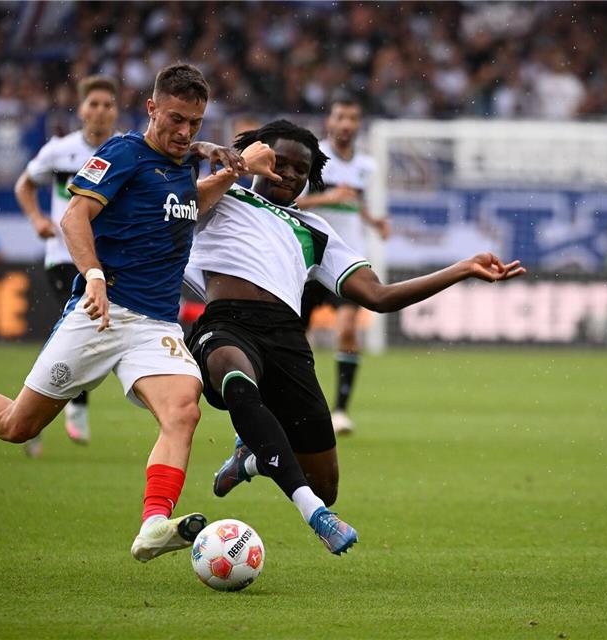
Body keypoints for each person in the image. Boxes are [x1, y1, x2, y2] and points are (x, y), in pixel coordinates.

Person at [0, 63, 252, 563]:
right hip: (99, 312)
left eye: (195, 123)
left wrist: (225, 173)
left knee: (183, 411)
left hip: (154, 325)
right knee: (19, 425)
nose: (184, 131)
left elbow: (188, 201)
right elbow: (74, 216)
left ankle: (153, 524)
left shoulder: (182, 163)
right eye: (175, 119)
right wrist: (95, 276)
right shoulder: (123, 152)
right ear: (151, 108)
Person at [185, 120, 526, 555]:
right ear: (257, 157)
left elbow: (378, 296)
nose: (289, 174)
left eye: (301, 169)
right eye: (279, 161)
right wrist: (231, 166)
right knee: (231, 370)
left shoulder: (316, 231)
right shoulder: (223, 195)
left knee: (325, 484)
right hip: (226, 320)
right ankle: (314, 514)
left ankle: (253, 458)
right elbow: (171, 206)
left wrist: (460, 269)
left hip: (286, 337)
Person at [14, 74, 121, 458]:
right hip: (65, 256)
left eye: (108, 104)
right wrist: (37, 220)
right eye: (93, 103)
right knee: (83, 327)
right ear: (81, 109)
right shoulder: (60, 151)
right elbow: (23, 185)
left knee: (77, 334)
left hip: (107, 259)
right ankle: (74, 404)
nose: (100, 111)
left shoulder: (125, 151)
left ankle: (27, 415)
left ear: (116, 110)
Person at [296, 96, 387, 435]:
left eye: (352, 117)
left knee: (348, 328)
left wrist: (373, 221)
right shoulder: (313, 157)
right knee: (296, 338)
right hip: (309, 261)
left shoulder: (366, 166)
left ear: (358, 124)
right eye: (340, 117)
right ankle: (297, 404)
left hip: (347, 260)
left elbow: (353, 200)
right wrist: (326, 198)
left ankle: (341, 411)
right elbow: (293, 201)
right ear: (330, 122)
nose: (346, 124)